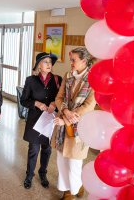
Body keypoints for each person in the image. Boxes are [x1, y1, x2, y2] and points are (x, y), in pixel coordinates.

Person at [51, 47, 96, 200]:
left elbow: (89, 105)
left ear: (84, 61)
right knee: (61, 159)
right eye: (71, 60)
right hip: (63, 123)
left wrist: (70, 116)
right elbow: (59, 98)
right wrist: (65, 111)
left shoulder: (93, 79)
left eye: (73, 60)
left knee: (74, 161)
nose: (71, 63)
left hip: (80, 126)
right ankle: (67, 191)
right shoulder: (68, 76)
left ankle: (76, 187)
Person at [20, 52, 62, 189]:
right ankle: (29, 175)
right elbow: (24, 100)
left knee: (47, 148)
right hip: (34, 120)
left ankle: (42, 173)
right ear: (39, 66)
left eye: (50, 62)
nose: (49, 64)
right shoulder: (30, 80)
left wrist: (54, 104)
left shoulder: (57, 80)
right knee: (33, 148)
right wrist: (37, 104)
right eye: (45, 62)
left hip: (49, 120)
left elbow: (62, 98)